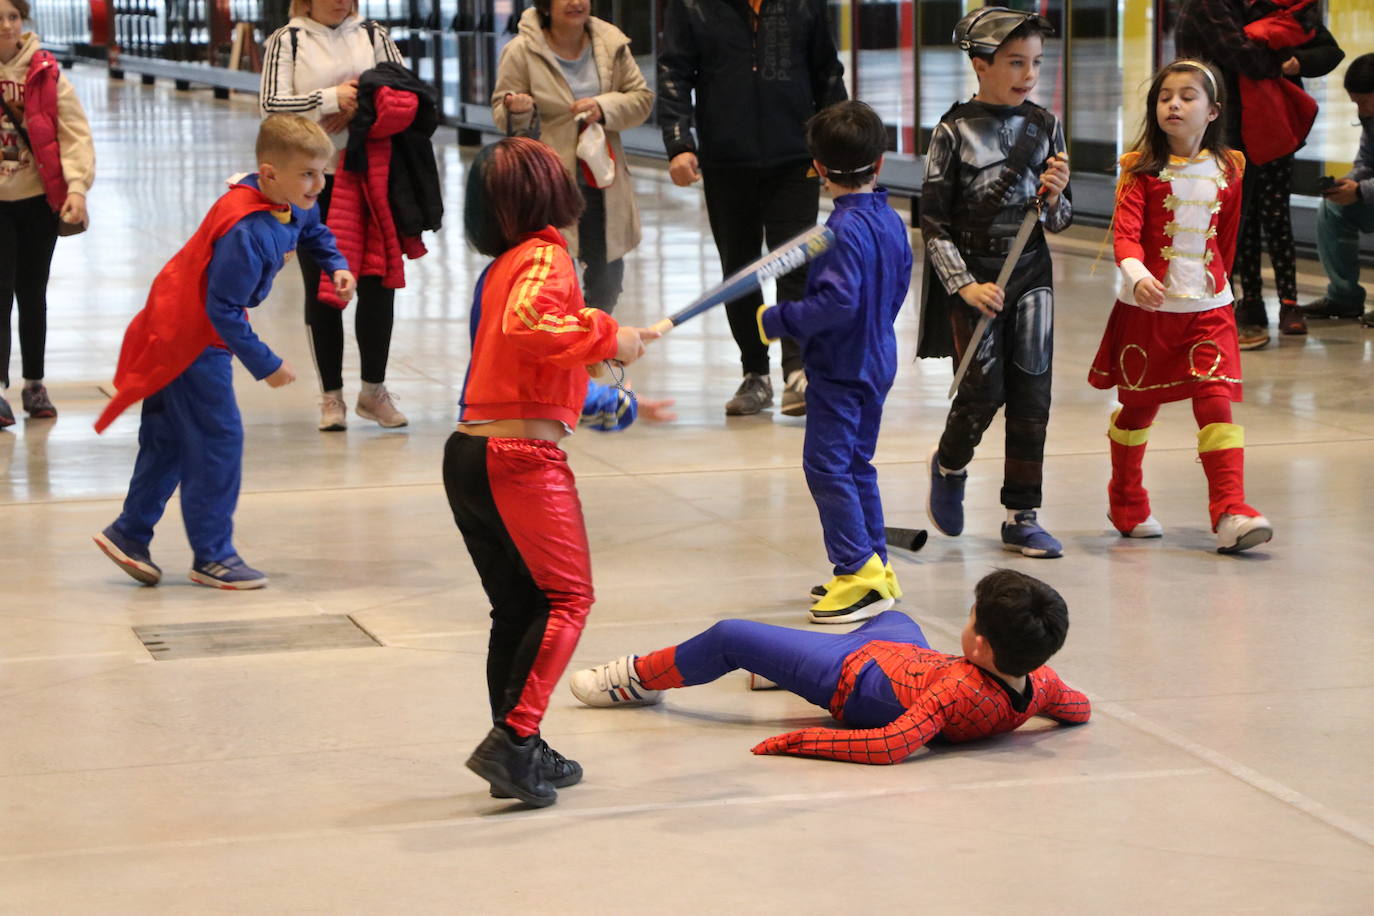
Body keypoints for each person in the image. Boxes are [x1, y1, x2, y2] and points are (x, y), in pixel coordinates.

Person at [447, 137, 662, 807]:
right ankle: (513, 741)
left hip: (470, 455)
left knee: (517, 609)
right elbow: (531, 324)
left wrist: (600, 368)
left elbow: (524, 352)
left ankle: (519, 745)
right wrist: (604, 333)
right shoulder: (545, 255)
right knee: (567, 600)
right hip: (518, 461)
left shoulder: (505, 265)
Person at [91, 115, 355, 589]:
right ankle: (213, 556)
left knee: (171, 439)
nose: (319, 184)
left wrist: (336, 265)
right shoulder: (245, 230)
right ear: (269, 172)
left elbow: (312, 230)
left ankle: (130, 533)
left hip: (177, 325)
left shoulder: (288, 201)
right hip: (190, 339)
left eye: (322, 172)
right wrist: (266, 363)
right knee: (217, 443)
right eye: (308, 174)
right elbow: (223, 310)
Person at [568, 568, 1090, 765]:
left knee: (730, 635)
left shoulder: (955, 692)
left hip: (852, 677)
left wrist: (797, 740)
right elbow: (1080, 709)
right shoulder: (1039, 683)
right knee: (895, 616)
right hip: (905, 660)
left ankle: (635, 680)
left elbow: (888, 746)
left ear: (979, 646)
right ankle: (780, 663)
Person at [1088, 60, 1272, 555]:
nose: (1173, 104)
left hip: (1208, 307)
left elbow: (1227, 240)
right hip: (1147, 310)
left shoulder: (1231, 167)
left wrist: (1217, 286)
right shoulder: (1138, 168)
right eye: (1165, 96)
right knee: (1137, 408)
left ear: (1212, 111)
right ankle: (1126, 499)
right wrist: (1140, 276)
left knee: (1215, 398)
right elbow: (1125, 236)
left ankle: (1230, 510)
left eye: (1187, 96)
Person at [916, 8, 1072, 559]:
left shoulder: (1046, 124)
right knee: (983, 392)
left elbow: (1059, 220)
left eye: (1035, 63)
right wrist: (964, 287)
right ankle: (950, 464)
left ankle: (1022, 514)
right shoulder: (951, 130)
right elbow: (931, 223)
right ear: (980, 64)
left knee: (1033, 394)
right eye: (1014, 62)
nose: (1028, 74)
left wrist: (1055, 196)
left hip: (1032, 274)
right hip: (975, 279)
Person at [755, 101, 911, 624]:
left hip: (842, 369)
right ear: (880, 163)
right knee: (854, 463)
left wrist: (779, 319)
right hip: (877, 359)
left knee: (825, 465)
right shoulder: (890, 220)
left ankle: (857, 573)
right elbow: (897, 287)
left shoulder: (838, 232)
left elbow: (837, 303)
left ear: (818, 168)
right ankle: (874, 565)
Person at [658, 0, 846, 417]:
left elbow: (827, 72)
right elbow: (673, 72)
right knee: (739, 271)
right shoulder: (692, 5)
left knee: (796, 263)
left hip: (796, 156)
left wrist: (838, 148)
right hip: (726, 160)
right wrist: (679, 144)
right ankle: (754, 373)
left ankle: (798, 369)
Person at [261, 0, 409, 431]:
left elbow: (406, 92)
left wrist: (361, 101)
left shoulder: (375, 34)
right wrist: (329, 99)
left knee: (380, 283)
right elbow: (271, 106)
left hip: (371, 176)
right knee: (324, 286)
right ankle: (331, 397)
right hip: (315, 182)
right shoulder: (286, 40)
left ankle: (373, 392)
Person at [492, 0, 653, 314]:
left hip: (602, 175)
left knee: (606, 275)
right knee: (553, 271)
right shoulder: (521, 50)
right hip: (548, 181)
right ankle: (565, 348)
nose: (576, 2)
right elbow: (503, 115)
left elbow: (641, 98)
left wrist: (603, 107)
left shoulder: (611, 43)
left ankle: (596, 345)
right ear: (546, 6)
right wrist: (519, 109)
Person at [0, 0, 94, 426]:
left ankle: (34, 384)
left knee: (32, 294)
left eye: (12, 17)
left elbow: (74, 134)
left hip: (38, 200)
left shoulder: (45, 72)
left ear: (23, 20)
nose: (5, 25)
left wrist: (77, 187)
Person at [1174, 0, 1285, 351]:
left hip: (1224, 129)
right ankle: (1215, 319)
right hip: (1216, 132)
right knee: (1214, 227)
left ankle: (1219, 314)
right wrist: (1280, 61)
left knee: (1226, 225)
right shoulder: (1209, 4)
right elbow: (1243, 55)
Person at [1229, 0, 1343, 340]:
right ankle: (1250, 301)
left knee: (1276, 214)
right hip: (1238, 126)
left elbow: (1330, 52)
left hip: (1278, 124)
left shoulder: (1287, 9)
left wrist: (1298, 63)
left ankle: (1289, 301)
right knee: (1243, 218)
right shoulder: (1227, 9)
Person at [1302, 53, 1374, 326]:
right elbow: (1366, 161)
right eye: (1356, 103)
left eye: (1364, 102)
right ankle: (1345, 298)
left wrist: (1361, 191)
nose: (1361, 111)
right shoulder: (1371, 119)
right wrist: (1349, 183)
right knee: (1333, 208)